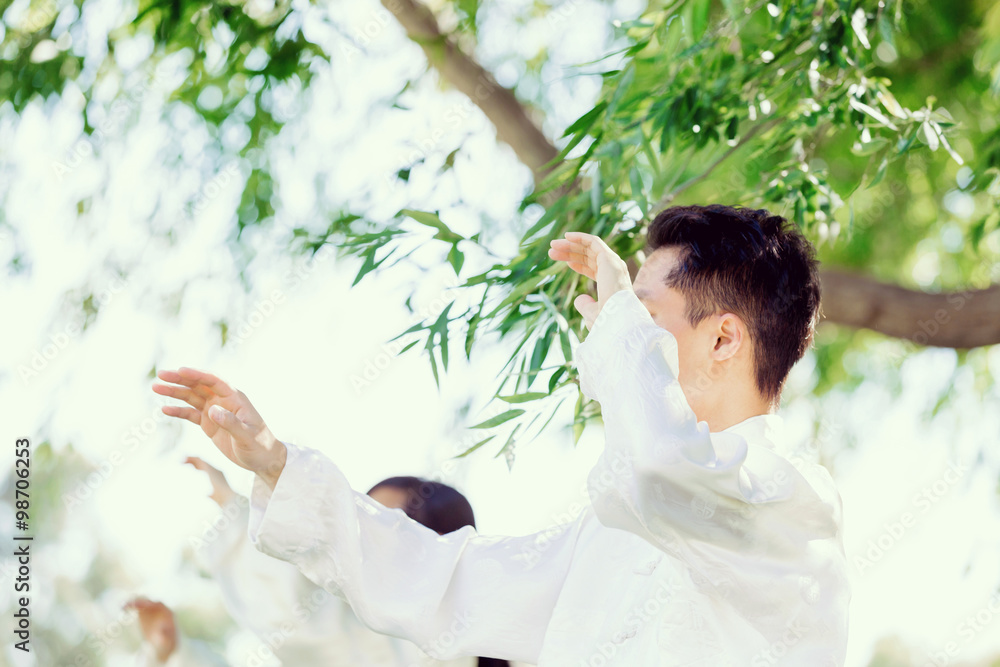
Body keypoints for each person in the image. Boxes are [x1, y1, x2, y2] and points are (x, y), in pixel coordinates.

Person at [153, 205, 851, 666]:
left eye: (642, 317)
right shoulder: (608, 535)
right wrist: (280, 466)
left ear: (724, 338)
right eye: (623, 322)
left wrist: (619, 334)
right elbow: (448, 581)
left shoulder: (791, 505)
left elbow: (661, 468)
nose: (616, 334)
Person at [182, 455, 510, 667]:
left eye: (385, 529)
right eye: (363, 528)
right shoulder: (371, 626)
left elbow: (306, 627)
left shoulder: (441, 638)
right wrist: (231, 504)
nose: (363, 544)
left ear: (437, 547)